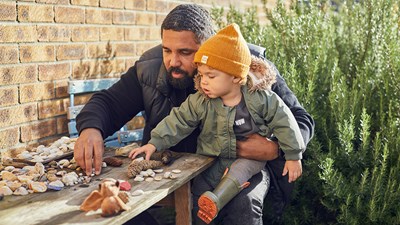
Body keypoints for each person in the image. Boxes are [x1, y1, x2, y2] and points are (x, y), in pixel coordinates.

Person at [74, 3, 314, 225]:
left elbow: (299, 119)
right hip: (175, 173)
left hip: (242, 167)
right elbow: (108, 102)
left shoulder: (247, 67)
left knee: (243, 202)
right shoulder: (148, 68)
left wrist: (277, 149)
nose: (173, 61)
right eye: (167, 50)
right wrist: (91, 129)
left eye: (186, 52)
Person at [128, 23, 306, 224]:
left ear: (236, 77)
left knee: (245, 189)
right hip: (211, 163)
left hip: (249, 162)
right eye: (201, 75)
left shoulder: (260, 98)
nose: (203, 82)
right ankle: (207, 205)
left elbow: (285, 121)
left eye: (211, 76)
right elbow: (179, 120)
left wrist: (292, 155)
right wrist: (155, 143)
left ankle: (217, 198)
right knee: (199, 199)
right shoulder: (202, 100)